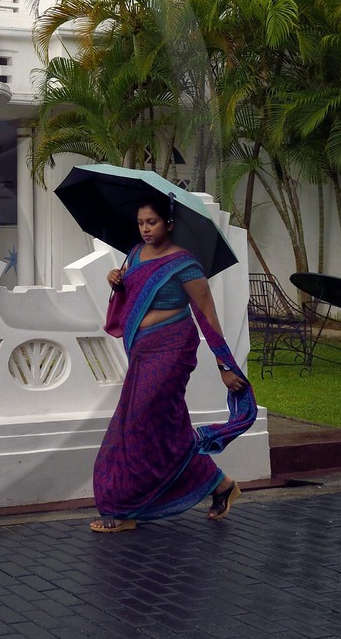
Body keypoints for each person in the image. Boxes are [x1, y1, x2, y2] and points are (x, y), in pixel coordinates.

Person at [90, 198, 257, 533]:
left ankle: (124, 509)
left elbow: (207, 314)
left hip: (172, 350)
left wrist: (225, 364)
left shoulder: (184, 264)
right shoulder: (135, 254)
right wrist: (116, 282)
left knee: (138, 424)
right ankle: (220, 484)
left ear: (168, 223)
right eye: (140, 223)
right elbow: (131, 297)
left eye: (152, 222)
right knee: (159, 430)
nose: (145, 229)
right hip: (141, 351)